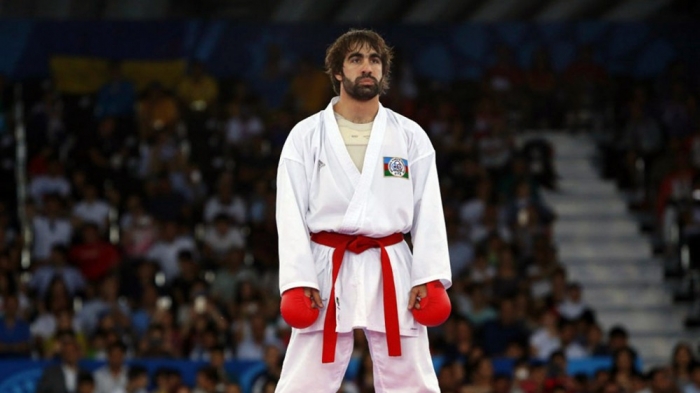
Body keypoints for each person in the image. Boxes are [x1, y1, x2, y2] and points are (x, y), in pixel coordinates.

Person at [274, 29, 452, 392]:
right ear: (338, 71)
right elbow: (288, 212)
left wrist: (428, 275)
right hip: (326, 262)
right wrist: (298, 280)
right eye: (356, 59)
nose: (366, 67)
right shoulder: (306, 136)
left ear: (384, 72)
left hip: (391, 260)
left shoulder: (409, 136)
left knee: (411, 373)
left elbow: (428, 208)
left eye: (374, 60)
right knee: (305, 374)